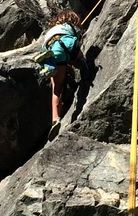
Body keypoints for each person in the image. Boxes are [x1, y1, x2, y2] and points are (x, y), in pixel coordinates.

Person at [33, 10, 84, 140]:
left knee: (56, 88)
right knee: (78, 56)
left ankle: (55, 119)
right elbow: (74, 44)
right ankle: (85, 66)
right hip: (64, 44)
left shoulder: (53, 29)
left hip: (50, 46)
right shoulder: (69, 27)